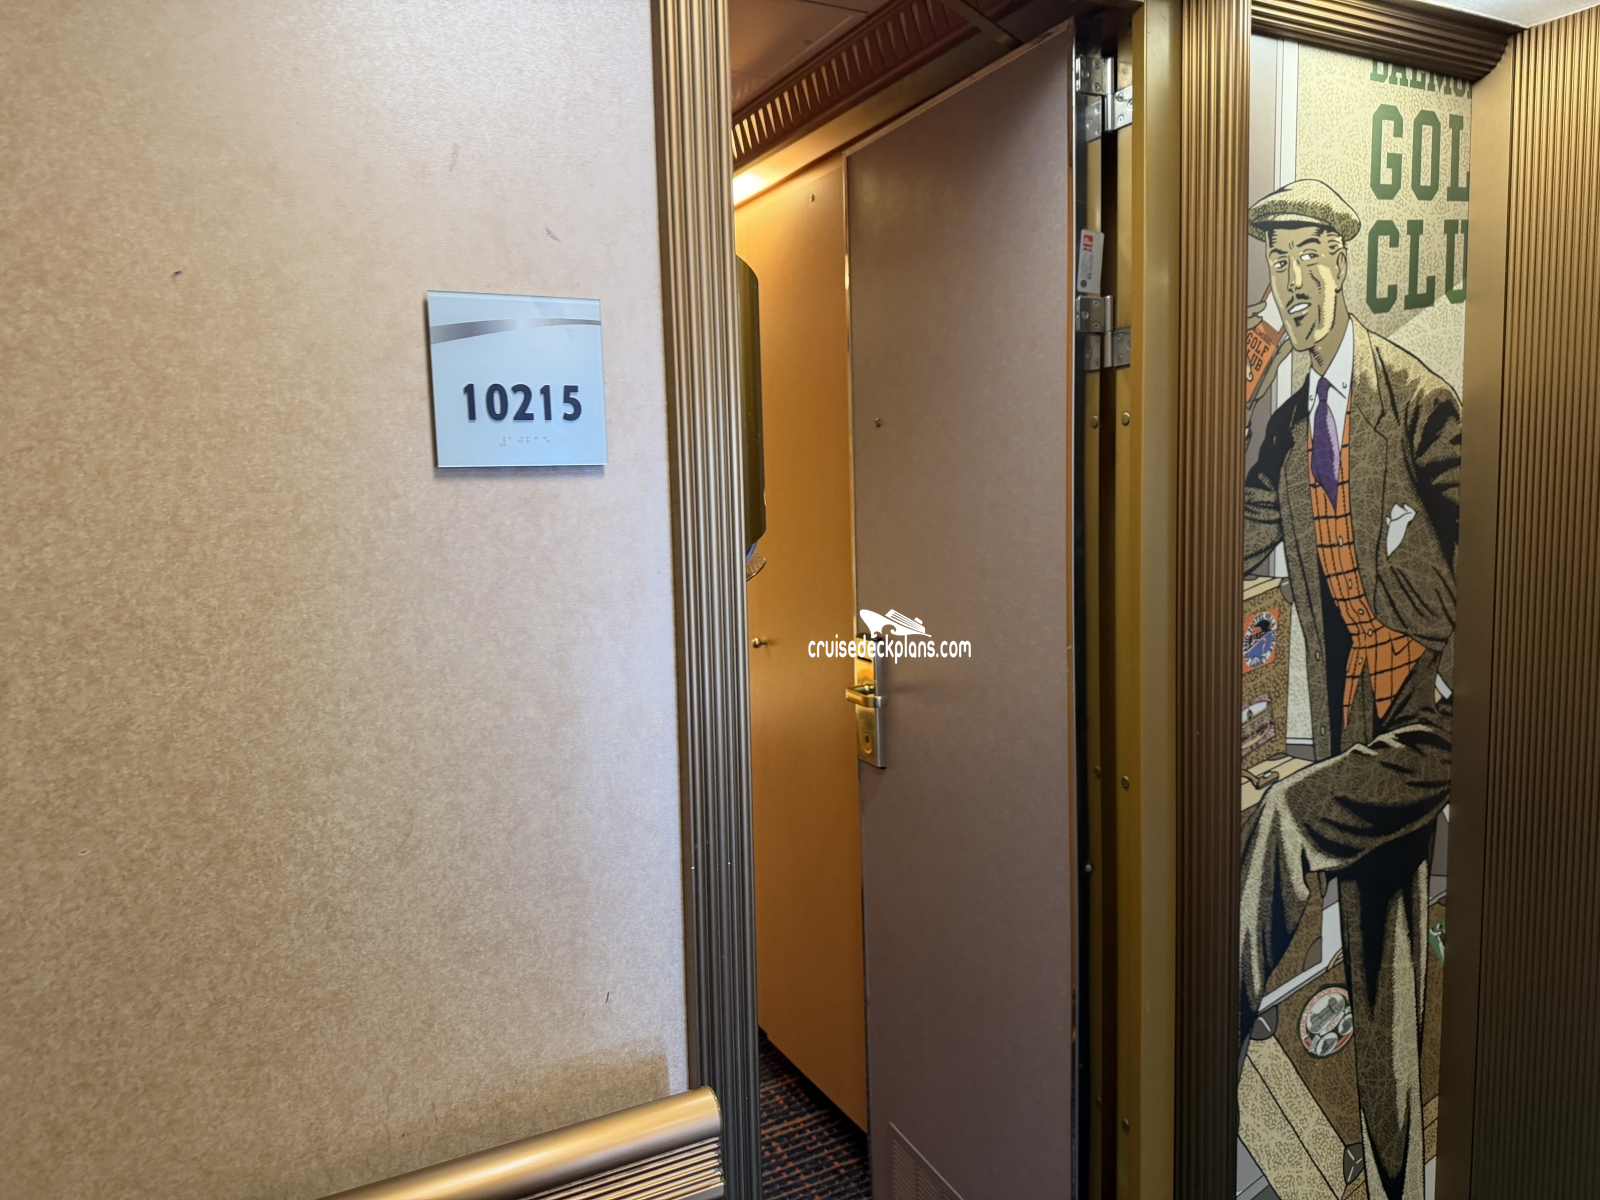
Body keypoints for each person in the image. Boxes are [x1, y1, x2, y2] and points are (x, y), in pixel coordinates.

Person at [1240, 179, 1459, 1200]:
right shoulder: (1288, 432)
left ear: (1340, 264)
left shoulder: (1415, 400)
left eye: (1305, 258)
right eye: (1275, 262)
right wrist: (1250, 370)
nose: (1290, 281)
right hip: (1354, 728)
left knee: (1286, 821)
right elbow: (1225, 535)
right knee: (1382, 977)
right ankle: (1392, 1181)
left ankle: (1207, 1030)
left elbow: (1480, 568)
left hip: (1431, 718)